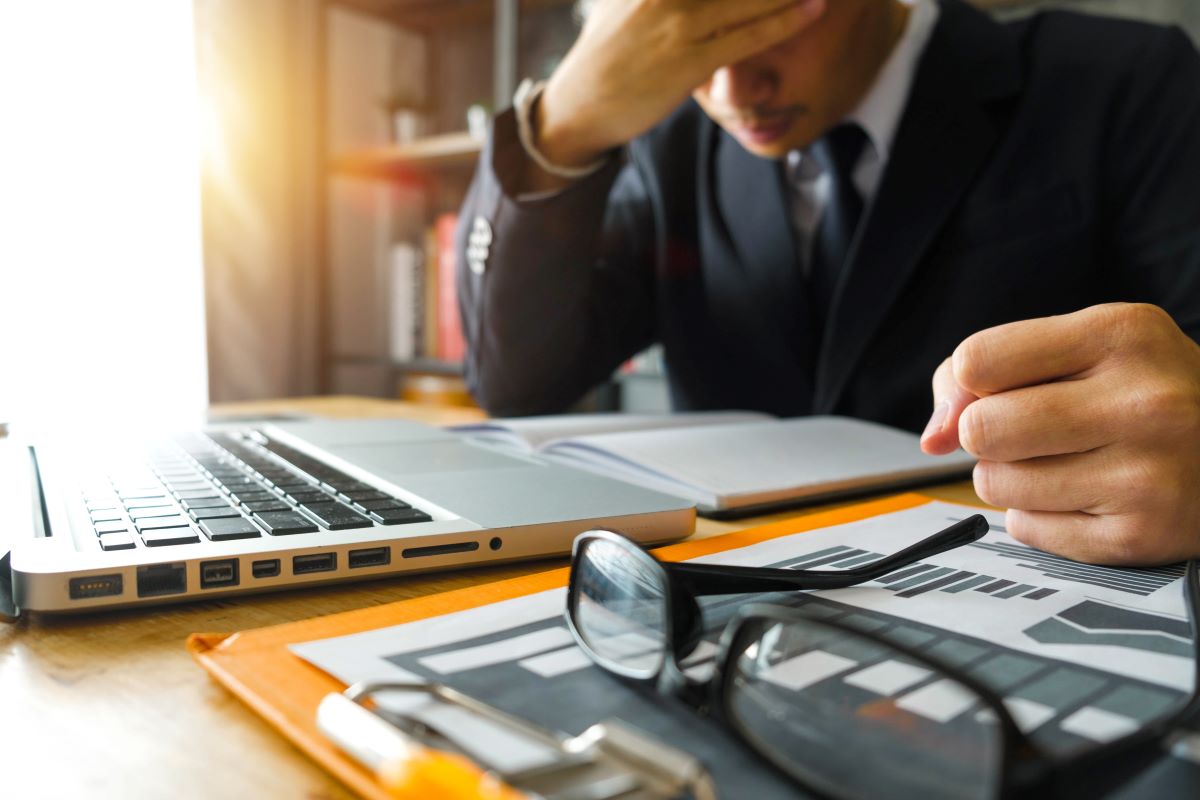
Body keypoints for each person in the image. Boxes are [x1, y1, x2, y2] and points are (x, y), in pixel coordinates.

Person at [455, 0, 1200, 566]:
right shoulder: (667, 144)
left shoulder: (1119, 81)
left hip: (1027, 576)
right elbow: (517, 382)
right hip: (723, 585)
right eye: (686, 39)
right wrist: (558, 130)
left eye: (761, 18)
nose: (730, 87)